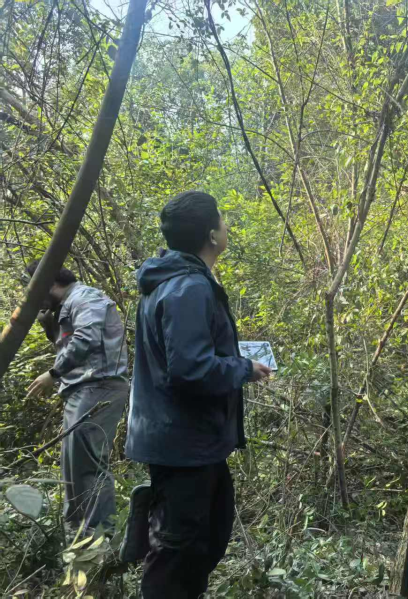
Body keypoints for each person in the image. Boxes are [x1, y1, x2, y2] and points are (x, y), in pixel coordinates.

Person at [125, 191, 271, 599]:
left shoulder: (173, 280)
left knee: (204, 539)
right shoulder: (189, 287)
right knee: (177, 554)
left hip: (188, 440)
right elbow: (189, 369)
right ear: (211, 235)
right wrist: (243, 368)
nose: (227, 226)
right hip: (183, 444)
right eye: (223, 220)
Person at [25, 260, 128, 535]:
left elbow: (86, 338)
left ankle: (98, 539)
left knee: (88, 466)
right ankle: (77, 535)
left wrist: (53, 373)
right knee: (73, 466)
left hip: (99, 386)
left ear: (49, 282)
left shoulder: (85, 297)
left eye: (33, 288)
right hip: (82, 389)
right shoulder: (63, 306)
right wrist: (47, 322)